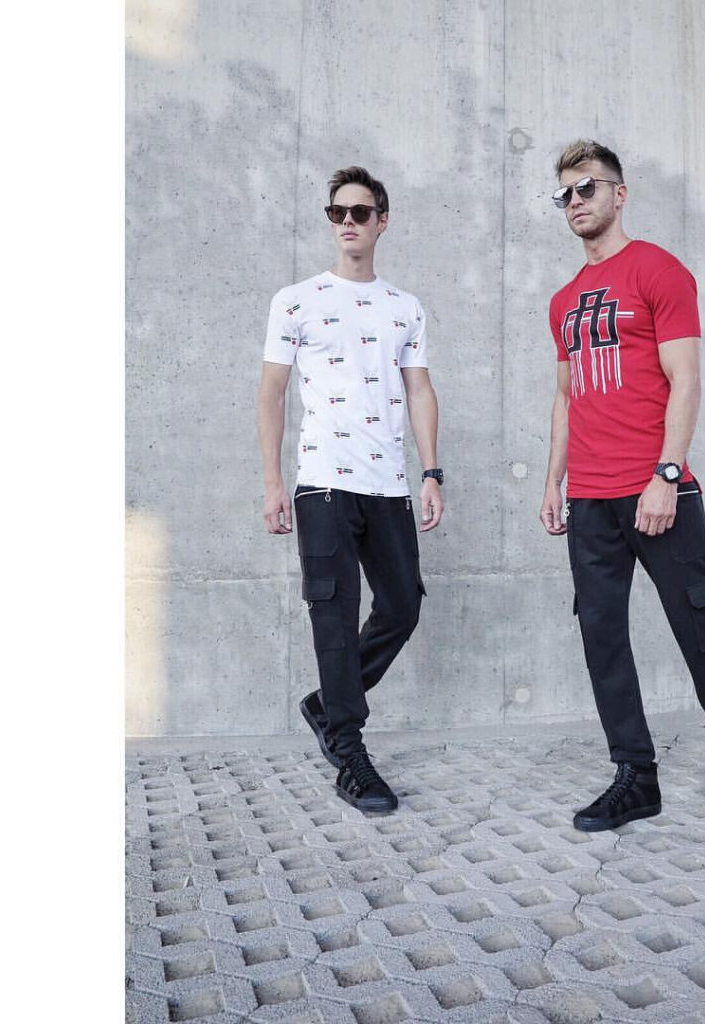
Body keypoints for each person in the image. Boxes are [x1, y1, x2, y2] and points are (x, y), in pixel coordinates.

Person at [540, 140, 705, 831]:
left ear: (619, 193)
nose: (576, 202)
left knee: (699, 623)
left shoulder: (659, 271)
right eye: (565, 194)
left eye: (587, 188)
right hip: (590, 499)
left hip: (657, 490)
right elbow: (566, 396)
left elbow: (686, 380)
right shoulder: (563, 302)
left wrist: (667, 474)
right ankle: (635, 776)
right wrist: (554, 482)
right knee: (601, 636)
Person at [257, 165, 443, 813]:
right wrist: (274, 482)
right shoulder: (296, 300)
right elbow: (272, 393)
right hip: (322, 485)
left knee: (402, 607)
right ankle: (350, 755)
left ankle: (327, 703)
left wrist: (430, 472)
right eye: (337, 212)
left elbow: (420, 390)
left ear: (381, 222)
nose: (347, 222)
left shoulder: (404, 307)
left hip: (388, 485)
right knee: (333, 617)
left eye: (360, 212)